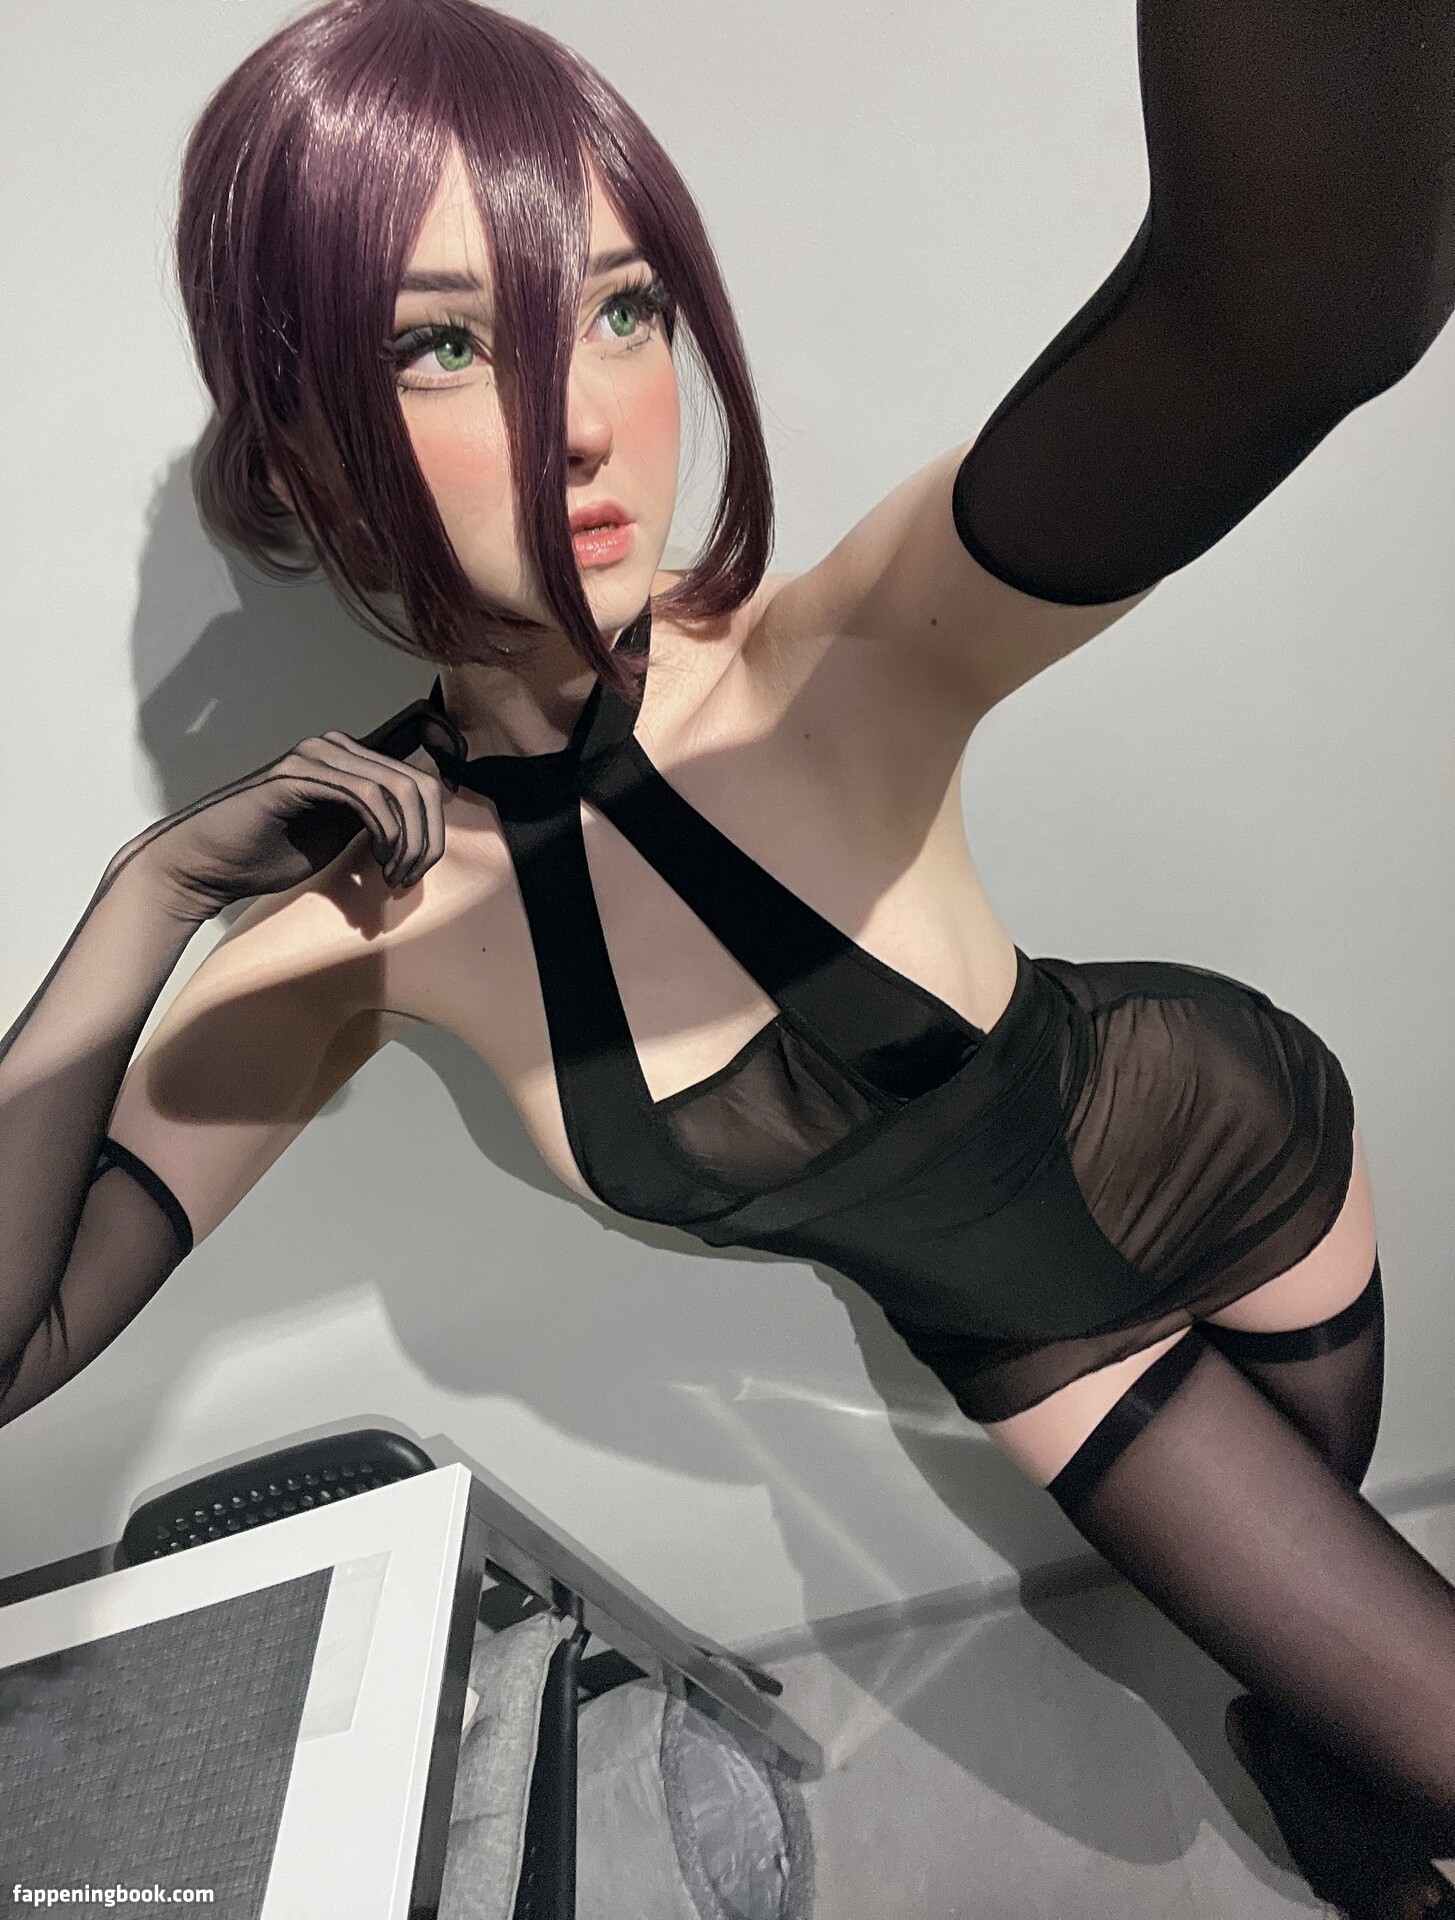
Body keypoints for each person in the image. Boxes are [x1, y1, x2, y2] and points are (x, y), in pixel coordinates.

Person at [1, 0, 1451, 1909]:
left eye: (624, 308)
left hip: (1233, 1142)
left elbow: (1295, 310)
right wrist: (147, 899)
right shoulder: (348, 941)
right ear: (304, 458)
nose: (587, 413)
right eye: (448, 343)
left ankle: (1328, 1768)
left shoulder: (827, 656)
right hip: (1030, 1335)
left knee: (1351, 1640)